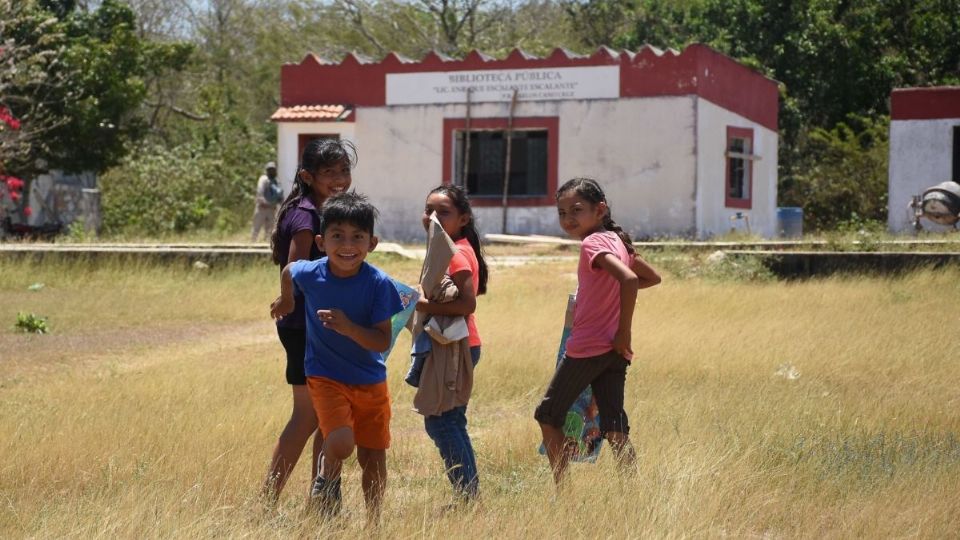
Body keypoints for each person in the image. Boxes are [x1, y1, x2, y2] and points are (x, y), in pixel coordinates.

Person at [271, 191, 405, 521]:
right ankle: (326, 472)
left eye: (357, 237)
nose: (347, 245)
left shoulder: (379, 285)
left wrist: (349, 328)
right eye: (337, 236)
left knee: (373, 458)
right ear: (321, 240)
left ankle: (374, 522)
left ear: (371, 243)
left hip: (370, 381)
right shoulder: (311, 273)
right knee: (342, 443)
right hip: (325, 377)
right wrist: (286, 301)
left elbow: (380, 341)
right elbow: (289, 270)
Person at [534, 177, 661, 486]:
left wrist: (623, 332)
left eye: (577, 210)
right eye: (562, 212)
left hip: (590, 348)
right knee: (615, 425)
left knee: (548, 416)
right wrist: (611, 311)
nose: (568, 219)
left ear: (600, 209)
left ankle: (563, 495)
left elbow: (630, 280)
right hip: (614, 353)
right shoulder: (619, 242)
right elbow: (651, 277)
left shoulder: (593, 243)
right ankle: (632, 493)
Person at [260, 139, 356, 503]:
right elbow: (295, 270)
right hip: (304, 329)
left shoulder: (324, 210)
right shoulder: (306, 215)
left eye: (344, 170)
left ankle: (322, 498)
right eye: (329, 172)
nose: (339, 179)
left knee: (326, 416)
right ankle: (268, 500)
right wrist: (289, 297)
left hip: (320, 327)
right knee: (306, 417)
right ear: (307, 176)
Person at [414, 184, 489, 503]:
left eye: (443, 212)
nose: (433, 217)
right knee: (448, 420)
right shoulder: (447, 247)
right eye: (429, 210)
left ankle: (468, 496)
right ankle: (467, 494)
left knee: (443, 422)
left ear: (463, 219)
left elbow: (467, 304)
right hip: (452, 343)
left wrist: (422, 306)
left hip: (455, 346)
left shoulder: (455, 252)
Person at [252, 161, 283, 242]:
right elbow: (260, 192)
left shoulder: (276, 181)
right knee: (256, 227)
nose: (272, 171)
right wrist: (264, 202)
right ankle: (252, 243)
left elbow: (280, 195)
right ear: (267, 170)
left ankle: (266, 244)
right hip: (262, 207)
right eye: (270, 169)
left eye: (273, 169)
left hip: (271, 208)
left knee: (269, 230)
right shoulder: (263, 179)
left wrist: (279, 205)